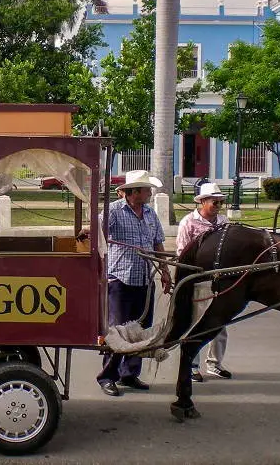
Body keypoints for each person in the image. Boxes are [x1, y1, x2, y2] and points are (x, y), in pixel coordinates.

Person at [97, 170, 172, 397]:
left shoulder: (150, 214)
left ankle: (130, 373)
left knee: (139, 329)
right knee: (119, 331)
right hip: (120, 279)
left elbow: (158, 244)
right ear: (134, 192)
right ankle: (108, 376)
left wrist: (165, 272)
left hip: (144, 280)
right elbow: (98, 236)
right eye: (147, 189)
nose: (150, 192)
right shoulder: (114, 212)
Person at [176, 182, 233, 382]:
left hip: (221, 280)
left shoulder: (224, 222)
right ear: (202, 202)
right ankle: (192, 365)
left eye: (220, 201)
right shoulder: (188, 222)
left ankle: (215, 364)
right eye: (214, 201)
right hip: (199, 280)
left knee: (220, 324)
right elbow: (182, 254)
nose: (218, 205)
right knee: (196, 323)